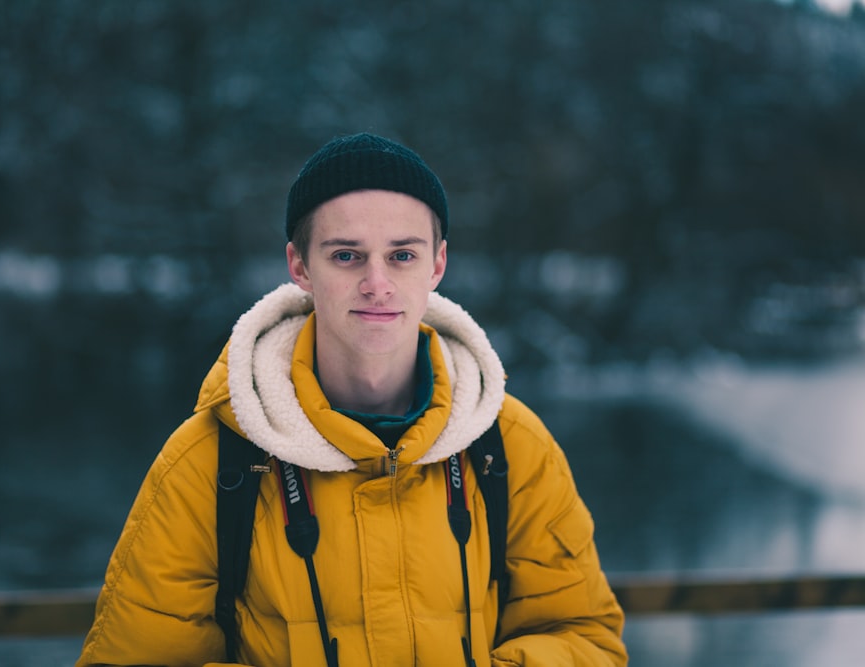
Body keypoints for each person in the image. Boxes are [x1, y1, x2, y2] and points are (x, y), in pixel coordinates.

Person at [76, 132, 627, 666]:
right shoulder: (208, 461)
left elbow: (583, 636)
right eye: (346, 256)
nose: (377, 283)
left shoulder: (510, 447)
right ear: (300, 267)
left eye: (403, 256)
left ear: (437, 264)